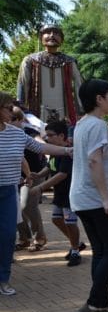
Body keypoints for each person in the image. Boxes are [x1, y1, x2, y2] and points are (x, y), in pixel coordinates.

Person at [0, 92, 74, 296]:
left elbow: (40, 147)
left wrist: (68, 151)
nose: (12, 111)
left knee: (7, 236)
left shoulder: (16, 134)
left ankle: (3, 279)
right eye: (7, 107)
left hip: (8, 191)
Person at [69, 79, 108, 312]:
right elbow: (94, 161)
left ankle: (103, 306)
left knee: (102, 251)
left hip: (82, 198)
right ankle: (93, 306)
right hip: (95, 199)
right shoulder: (98, 125)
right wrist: (107, 198)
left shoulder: (82, 124)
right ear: (99, 99)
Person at [27, 119, 86, 266]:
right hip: (60, 194)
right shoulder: (55, 150)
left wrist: (40, 187)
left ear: (61, 136)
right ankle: (77, 244)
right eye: (46, 135)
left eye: (50, 135)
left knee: (70, 222)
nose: (47, 138)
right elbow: (50, 166)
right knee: (56, 219)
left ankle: (75, 250)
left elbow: (62, 174)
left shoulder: (68, 152)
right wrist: (38, 175)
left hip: (70, 194)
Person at [17, 24, 83, 126]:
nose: (52, 35)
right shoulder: (30, 60)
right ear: (41, 37)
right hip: (37, 115)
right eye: (47, 32)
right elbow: (23, 83)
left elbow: (79, 85)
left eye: (56, 33)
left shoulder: (70, 61)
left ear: (61, 39)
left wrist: (81, 110)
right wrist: (21, 108)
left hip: (65, 114)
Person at [11, 106, 48, 252]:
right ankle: (24, 238)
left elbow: (40, 143)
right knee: (15, 209)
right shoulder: (6, 133)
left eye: (14, 119)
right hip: (15, 176)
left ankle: (40, 238)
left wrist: (48, 147)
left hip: (33, 174)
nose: (10, 121)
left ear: (21, 120)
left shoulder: (29, 132)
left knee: (27, 205)